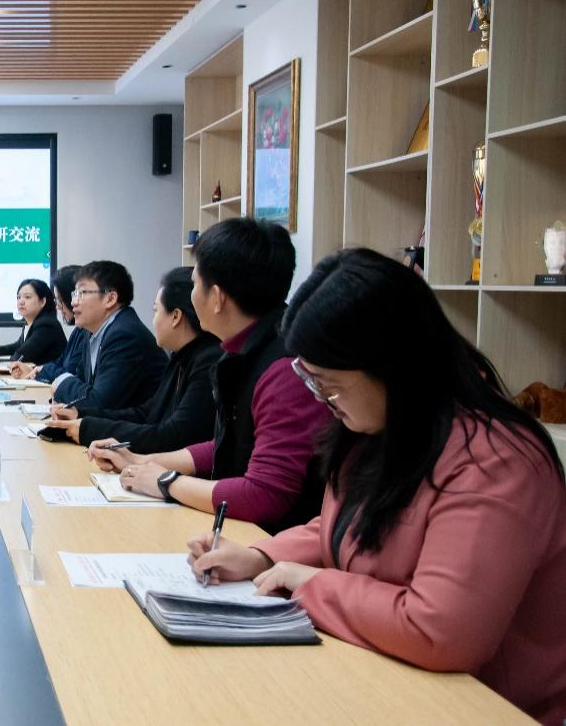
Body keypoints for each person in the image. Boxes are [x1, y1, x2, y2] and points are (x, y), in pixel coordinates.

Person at [187, 249, 566, 726]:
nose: (324, 401)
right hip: (387, 679)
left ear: (391, 366)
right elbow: (346, 525)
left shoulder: (495, 461)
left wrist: (313, 585)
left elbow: (440, 630)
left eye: (330, 385)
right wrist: (262, 557)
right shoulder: (382, 426)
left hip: (484, 707)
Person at [88, 218, 329, 532]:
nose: (190, 295)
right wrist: (142, 461)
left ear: (217, 298)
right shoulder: (244, 347)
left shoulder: (284, 368)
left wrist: (166, 481)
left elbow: (266, 495)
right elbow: (227, 445)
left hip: (266, 542)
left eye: (195, 284)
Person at [44, 266, 218, 448]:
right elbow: (147, 413)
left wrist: (88, 428)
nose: (73, 302)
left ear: (175, 317)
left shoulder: (207, 361)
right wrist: (80, 414)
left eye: (156, 310)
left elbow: (173, 435)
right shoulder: (181, 358)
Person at [47, 260, 167, 410]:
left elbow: (99, 404)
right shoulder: (92, 332)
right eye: (74, 294)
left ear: (110, 299)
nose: (73, 302)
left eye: (81, 293)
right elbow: (82, 384)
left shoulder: (125, 335)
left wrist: (62, 382)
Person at [9, 265, 86, 383]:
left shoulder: (47, 325)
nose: (58, 306)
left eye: (60, 300)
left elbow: (69, 374)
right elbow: (60, 363)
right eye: (18, 297)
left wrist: (36, 370)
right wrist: (34, 370)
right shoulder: (79, 330)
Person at [0, 279, 67, 365]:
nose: (21, 302)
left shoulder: (47, 325)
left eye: (27, 297)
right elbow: (19, 346)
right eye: (19, 297)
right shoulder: (31, 323)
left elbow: (22, 356)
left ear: (42, 302)